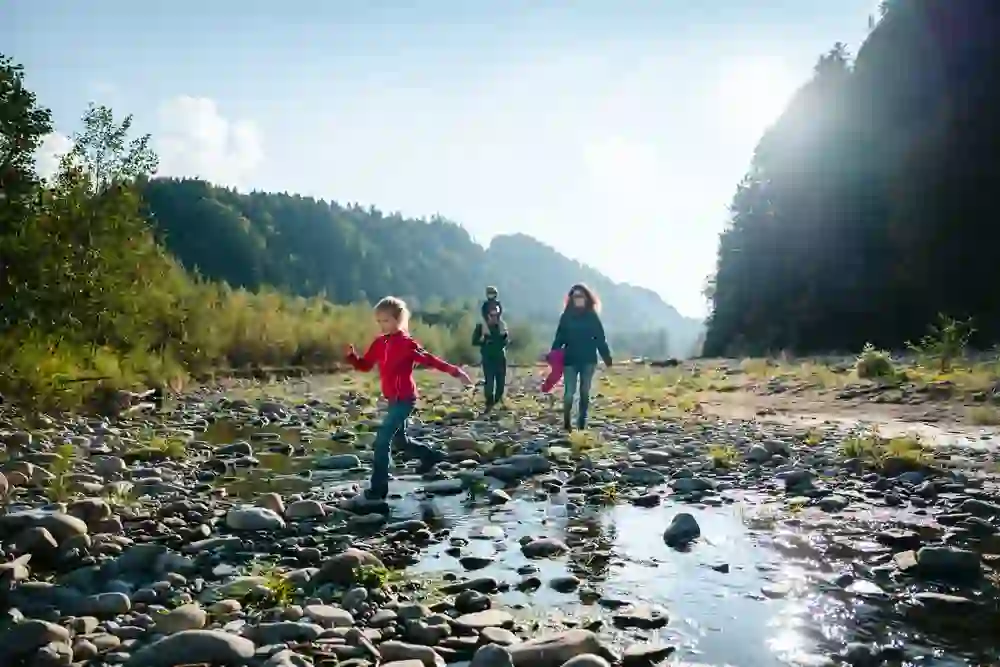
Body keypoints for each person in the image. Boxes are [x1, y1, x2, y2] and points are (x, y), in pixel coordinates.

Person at [345, 296, 473, 499]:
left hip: (405, 399)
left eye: (386, 320)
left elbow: (431, 360)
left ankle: (378, 488)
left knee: (382, 440)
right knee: (401, 442)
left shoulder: (407, 344)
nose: (382, 325)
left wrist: (456, 372)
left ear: (398, 320)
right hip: (392, 400)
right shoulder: (379, 343)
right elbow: (366, 365)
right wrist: (353, 357)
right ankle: (431, 456)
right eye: (379, 321)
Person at [549, 283, 612, 431]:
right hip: (570, 360)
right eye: (575, 296)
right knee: (569, 393)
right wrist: (553, 354)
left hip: (588, 360)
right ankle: (566, 421)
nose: (578, 299)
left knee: (584, 392)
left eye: (581, 296)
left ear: (587, 298)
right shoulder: (566, 317)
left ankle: (581, 422)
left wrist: (607, 357)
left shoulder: (592, 316)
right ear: (571, 299)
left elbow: (600, 339)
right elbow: (559, 338)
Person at [472, 302, 509, 412]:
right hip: (488, 358)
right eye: (491, 315)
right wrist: (484, 341)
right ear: (487, 315)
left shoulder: (502, 326)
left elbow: (506, 341)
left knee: (501, 383)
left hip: (500, 357)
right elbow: (474, 341)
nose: (494, 317)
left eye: (496, 315)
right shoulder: (481, 327)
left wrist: (502, 340)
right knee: (489, 381)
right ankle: (489, 403)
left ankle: (497, 400)